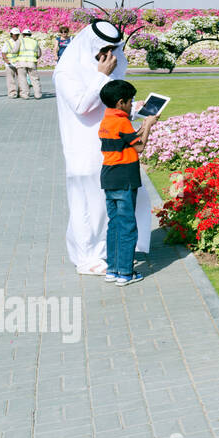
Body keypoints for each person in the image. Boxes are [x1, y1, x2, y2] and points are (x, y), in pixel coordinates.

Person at [53, 22, 152, 275]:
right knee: (87, 207)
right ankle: (87, 257)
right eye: (104, 49)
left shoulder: (108, 68)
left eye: (113, 49)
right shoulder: (67, 71)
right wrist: (101, 75)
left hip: (113, 150)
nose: (109, 55)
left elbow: (114, 104)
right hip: (83, 149)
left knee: (112, 207)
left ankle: (110, 253)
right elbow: (81, 106)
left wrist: (141, 113)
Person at [98, 80, 158, 285]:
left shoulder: (107, 119)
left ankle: (112, 269)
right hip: (125, 178)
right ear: (120, 102)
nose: (133, 105)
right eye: (130, 102)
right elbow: (139, 147)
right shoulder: (122, 121)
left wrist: (141, 127)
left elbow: (129, 139)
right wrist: (149, 125)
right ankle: (125, 272)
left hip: (109, 177)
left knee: (114, 224)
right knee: (127, 226)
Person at [14, 28, 42, 99]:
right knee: (34, 79)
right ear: (30, 35)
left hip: (21, 62)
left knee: (22, 79)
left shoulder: (20, 41)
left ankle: (25, 95)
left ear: (23, 35)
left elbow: (15, 50)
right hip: (32, 62)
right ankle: (38, 94)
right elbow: (39, 53)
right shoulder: (35, 42)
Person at [0, 27, 21, 99]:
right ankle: (12, 93)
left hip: (18, 63)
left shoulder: (20, 42)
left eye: (18, 35)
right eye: (15, 35)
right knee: (10, 79)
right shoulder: (8, 42)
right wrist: (6, 61)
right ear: (11, 35)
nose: (16, 36)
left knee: (21, 79)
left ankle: (21, 92)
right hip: (10, 64)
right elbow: (3, 53)